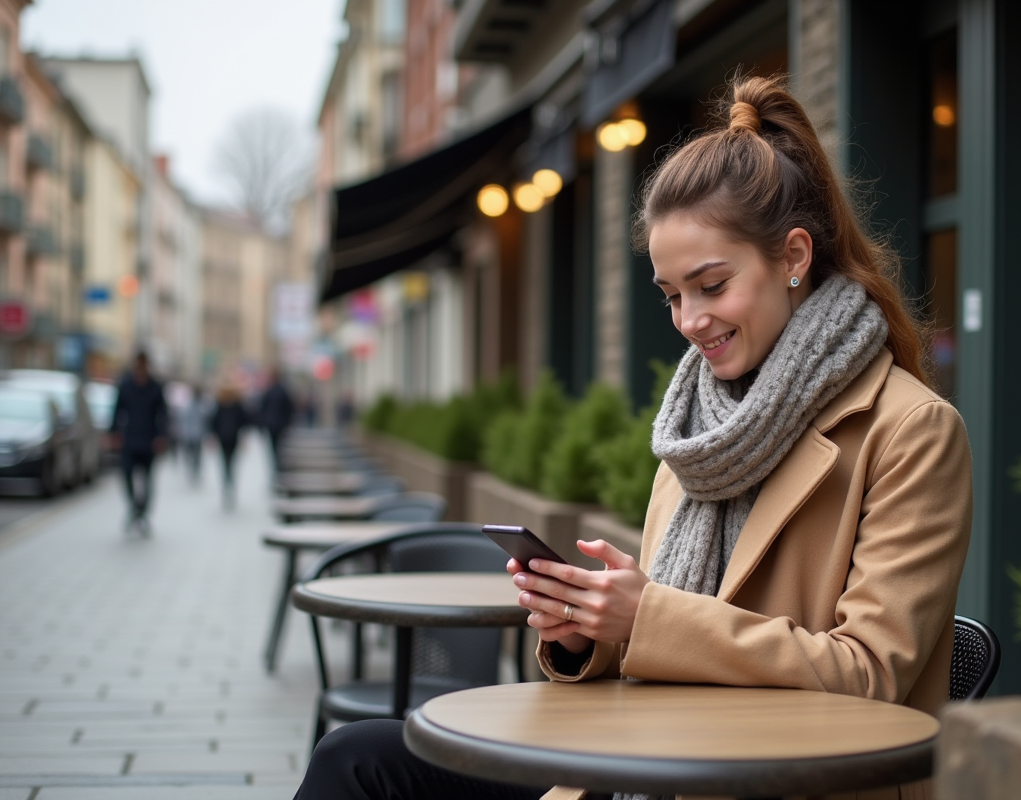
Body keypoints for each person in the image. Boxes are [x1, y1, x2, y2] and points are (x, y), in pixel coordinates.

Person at [293, 75, 972, 800]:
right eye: (672, 294)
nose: (688, 320)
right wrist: (587, 629)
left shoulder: (911, 432)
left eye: (712, 286)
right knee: (357, 759)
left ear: (794, 257)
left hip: (768, 779)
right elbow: (656, 647)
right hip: (643, 761)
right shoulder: (696, 429)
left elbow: (866, 675)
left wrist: (648, 614)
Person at [109, 351, 169, 535]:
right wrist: (113, 433)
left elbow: (163, 414)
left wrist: (162, 436)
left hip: (149, 441)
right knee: (127, 477)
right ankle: (135, 508)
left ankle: (142, 513)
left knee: (148, 480)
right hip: (130, 440)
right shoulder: (125, 386)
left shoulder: (155, 387)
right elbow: (117, 410)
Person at [210, 383, 249, 509]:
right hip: (225, 439)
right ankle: (227, 486)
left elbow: (244, 422)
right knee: (226, 464)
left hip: (232, 438)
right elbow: (213, 422)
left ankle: (229, 486)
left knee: (229, 464)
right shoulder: (220, 405)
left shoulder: (235, 406)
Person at [258, 368, 295, 471]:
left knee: (273, 446)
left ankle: (275, 465)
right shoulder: (283, 391)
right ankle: (277, 465)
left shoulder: (268, 391)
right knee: (279, 446)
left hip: (271, 424)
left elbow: (262, 409)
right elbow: (289, 409)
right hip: (280, 424)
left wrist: (262, 424)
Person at [176, 384, 209, 485]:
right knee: (194, 455)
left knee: (194, 455)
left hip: (192, 434)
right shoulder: (198, 407)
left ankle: (194, 470)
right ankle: (194, 470)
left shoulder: (192, 406)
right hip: (193, 434)